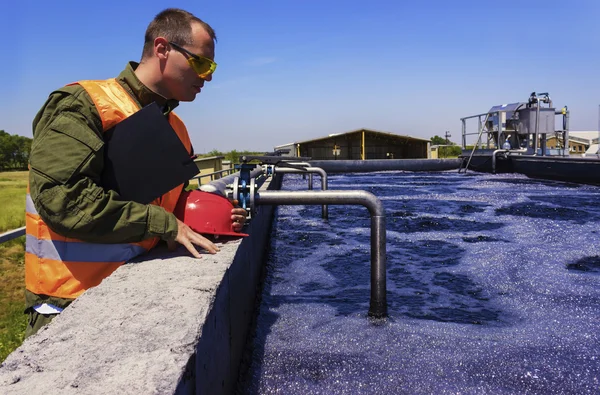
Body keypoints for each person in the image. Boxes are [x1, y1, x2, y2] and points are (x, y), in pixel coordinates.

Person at [24, 8, 247, 337]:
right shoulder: (83, 105)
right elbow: (62, 200)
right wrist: (162, 224)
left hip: (136, 298)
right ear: (162, 49)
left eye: (211, 67)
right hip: (69, 303)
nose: (208, 77)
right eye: (201, 63)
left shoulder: (177, 129)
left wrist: (218, 215)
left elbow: (164, 201)